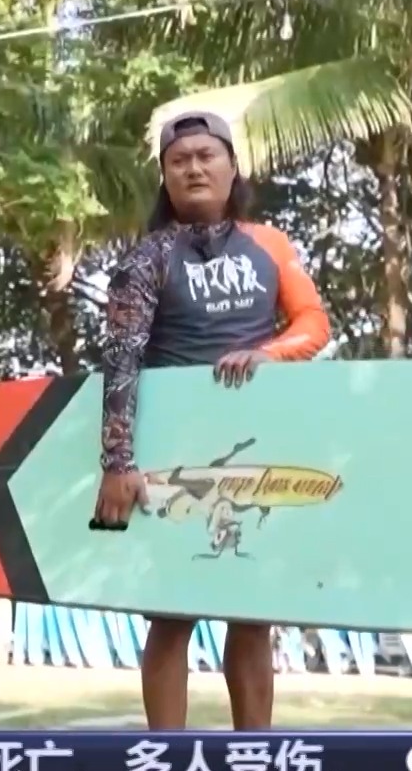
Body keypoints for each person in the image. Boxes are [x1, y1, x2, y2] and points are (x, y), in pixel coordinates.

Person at [91, 110, 330, 730]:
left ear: (231, 167)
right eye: (179, 161)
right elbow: (122, 358)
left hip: (255, 449)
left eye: (206, 156)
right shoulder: (148, 257)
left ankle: (254, 758)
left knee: (252, 615)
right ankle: (168, 760)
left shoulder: (269, 244)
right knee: (172, 616)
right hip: (173, 457)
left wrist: (269, 353)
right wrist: (118, 462)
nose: (193, 168)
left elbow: (313, 323)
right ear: (165, 178)